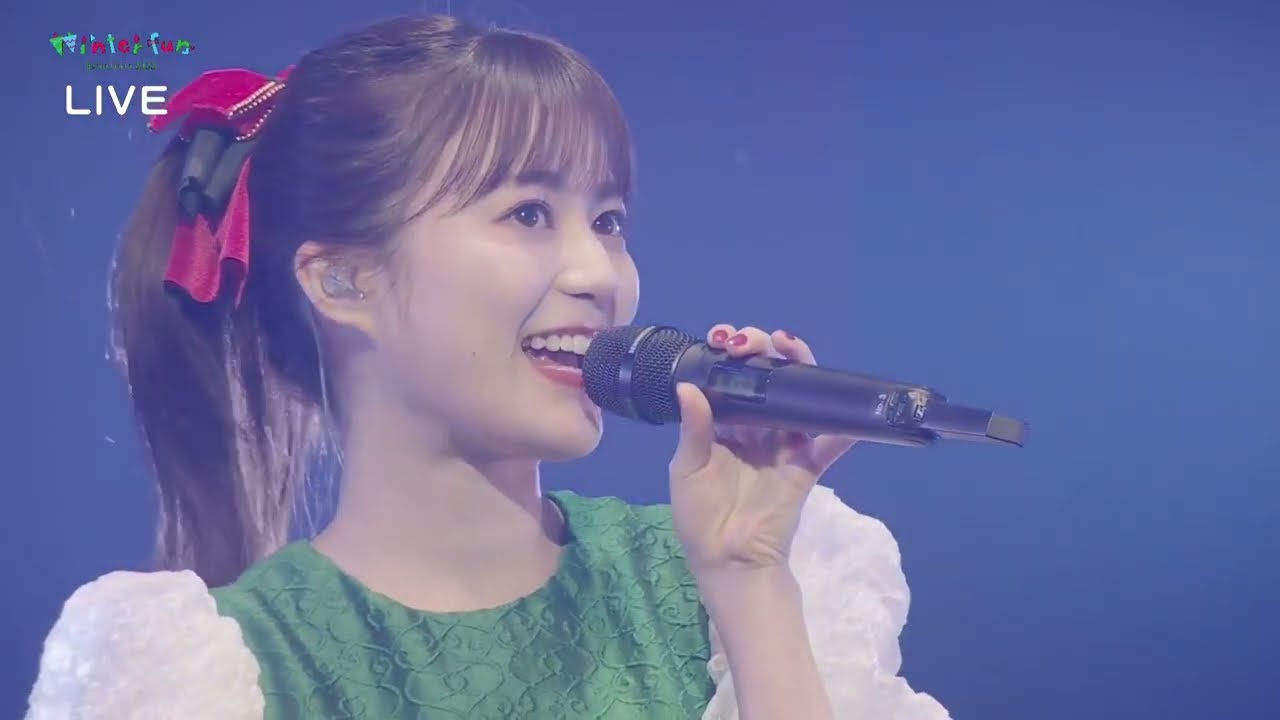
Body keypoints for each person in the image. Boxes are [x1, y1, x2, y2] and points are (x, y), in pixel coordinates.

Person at [26, 14, 950, 720]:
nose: (601, 276)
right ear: (344, 280)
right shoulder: (225, 670)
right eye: (529, 214)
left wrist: (751, 581)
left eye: (609, 221)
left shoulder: (709, 584)